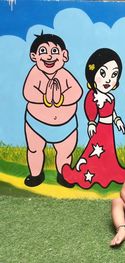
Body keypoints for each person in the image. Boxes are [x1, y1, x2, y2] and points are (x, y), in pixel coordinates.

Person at [62, 48, 125, 188]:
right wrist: (91, 123)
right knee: (95, 151)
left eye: (114, 74)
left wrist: (117, 121)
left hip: (109, 128)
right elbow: (90, 109)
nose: (108, 79)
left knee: (109, 152)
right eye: (103, 73)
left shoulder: (110, 96)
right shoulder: (94, 95)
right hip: (101, 128)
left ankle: (108, 171)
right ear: (93, 73)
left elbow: (112, 111)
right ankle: (88, 173)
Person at [23, 32, 83, 187]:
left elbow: (76, 92)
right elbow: (28, 92)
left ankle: (63, 175)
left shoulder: (65, 75)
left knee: (65, 153)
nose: (49, 56)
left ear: (64, 55)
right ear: (33, 56)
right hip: (36, 124)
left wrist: (60, 98)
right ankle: (36, 175)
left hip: (66, 126)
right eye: (43, 51)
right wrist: (46, 98)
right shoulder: (34, 74)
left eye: (54, 51)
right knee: (35, 150)